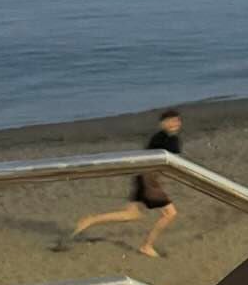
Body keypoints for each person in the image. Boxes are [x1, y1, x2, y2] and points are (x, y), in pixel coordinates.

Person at [71, 109, 184, 257]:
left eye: (177, 120)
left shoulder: (161, 137)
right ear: (163, 123)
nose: (175, 123)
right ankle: (146, 246)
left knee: (132, 214)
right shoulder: (168, 139)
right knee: (170, 213)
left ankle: (91, 220)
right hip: (148, 180)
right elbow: (170, 163)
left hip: (142, 177)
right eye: (171, 121)